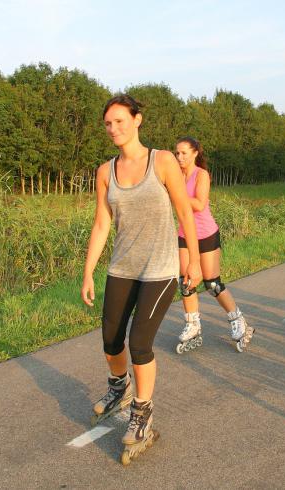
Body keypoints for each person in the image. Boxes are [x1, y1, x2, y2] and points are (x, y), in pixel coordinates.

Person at [81, 94, 202, 464]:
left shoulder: (162, 161)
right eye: (108, 123)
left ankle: (142, 414)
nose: (113, 129)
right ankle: (120, 387)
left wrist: (193, 261)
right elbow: (103, 223)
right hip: (122, 267)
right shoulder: (106, 172)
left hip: (160, 270)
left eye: (120, 121)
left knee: (139, 343)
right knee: (110, 341)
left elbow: (185, 211)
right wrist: (88, 270)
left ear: (137, 120)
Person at [173, 136, 253, 354]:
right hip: (183, 233)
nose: (179, 157)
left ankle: (238, 320)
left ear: (195, 153)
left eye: (184, 153)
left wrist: (176, 193)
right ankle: (193, 325)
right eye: (177, 153)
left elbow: (199, 204)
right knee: (186, 281)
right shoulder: (175, 175)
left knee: (212, 284)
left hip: (205, 233)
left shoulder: (202, 175)